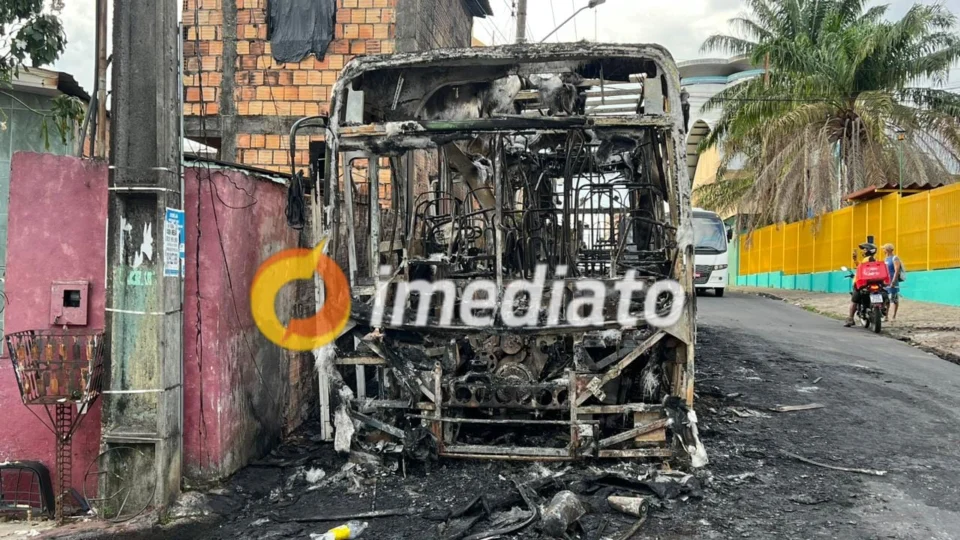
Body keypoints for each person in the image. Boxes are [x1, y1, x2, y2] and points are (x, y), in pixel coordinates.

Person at [845, 243, 879, 327]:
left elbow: (863, 269)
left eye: (864, 249)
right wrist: (855, 259)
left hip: (862, 283)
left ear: (868, 251)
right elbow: (860, 266)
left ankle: (850, 318)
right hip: (872, 282)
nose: (863, 251)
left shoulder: (869, 259)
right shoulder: (872, 259)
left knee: (854, 301)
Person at [883, 244, 903, 321]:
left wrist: (893, 282)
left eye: (884, 249)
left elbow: (897, 270)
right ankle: (886, 316)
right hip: (886, 282)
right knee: (886, 300)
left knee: (894, 300)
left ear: (887, 250)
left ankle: (894, 316)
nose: (883, 250)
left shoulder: (895, 258)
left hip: (893, 281)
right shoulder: (886, 259)